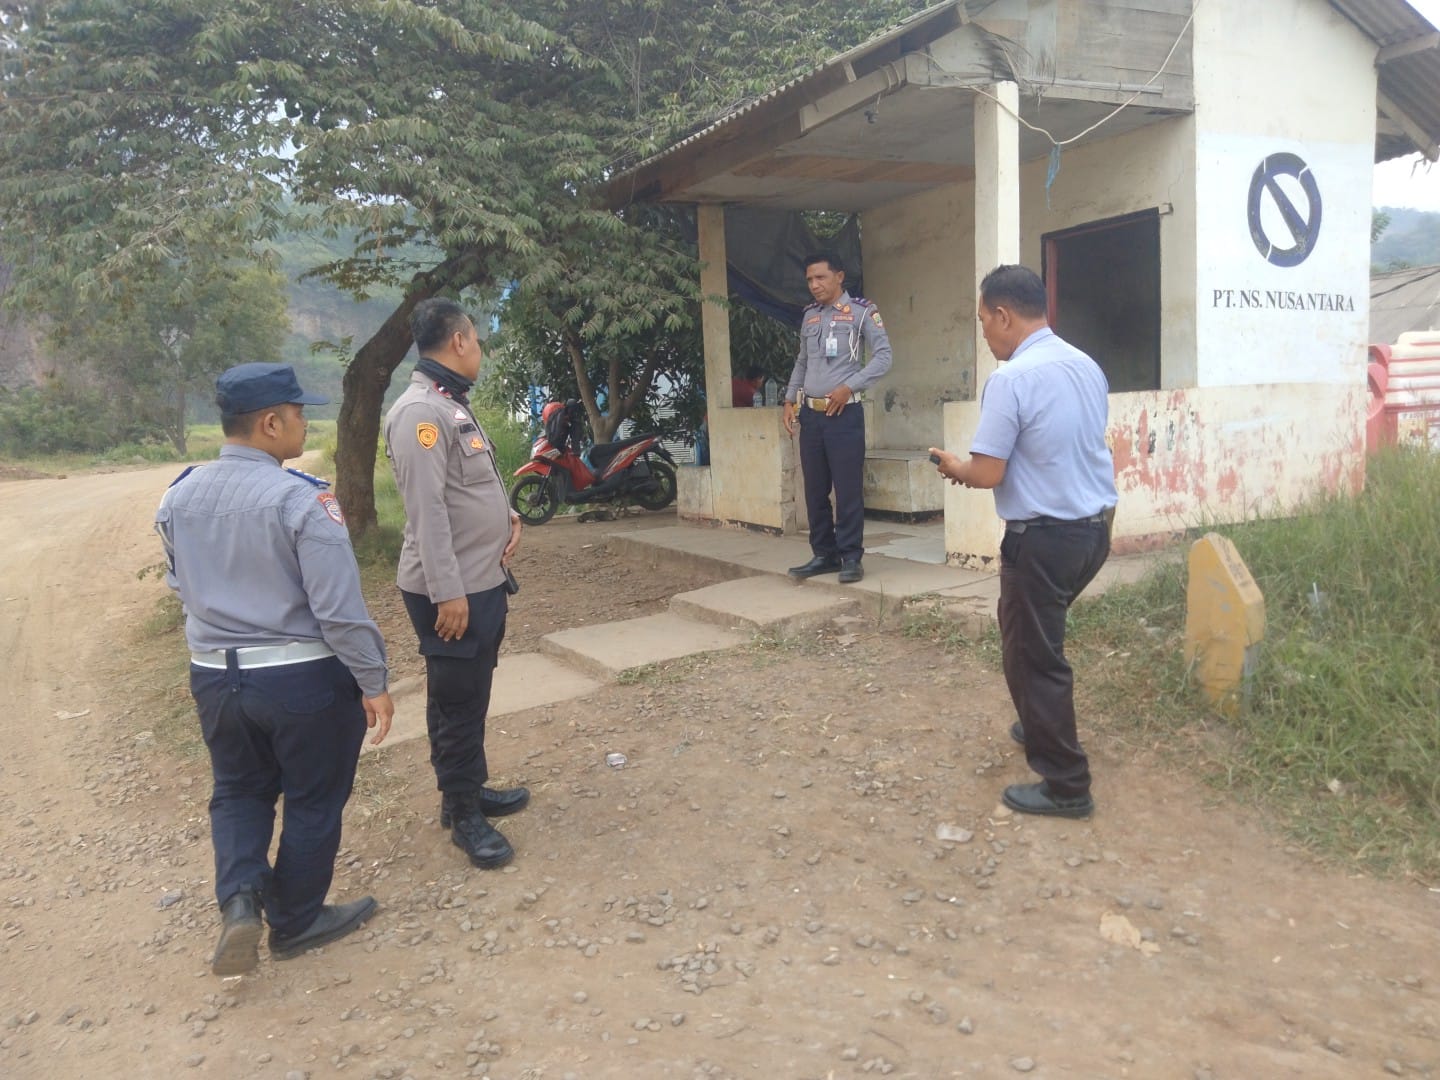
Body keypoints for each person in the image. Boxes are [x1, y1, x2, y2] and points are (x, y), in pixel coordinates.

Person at [156, 362, 394, 976]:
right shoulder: (302, 500)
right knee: (314, 797)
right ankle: (295, 921)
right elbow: (338, 612)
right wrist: (373, 680)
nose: (303, 423)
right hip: (300, 679)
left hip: (215, 677)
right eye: (297, 413)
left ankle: (240, 901)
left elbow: (181, 585)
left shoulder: (178, 496)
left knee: (239, 789)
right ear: (269, 423)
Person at [929, 265, 1116, 819]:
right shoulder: (1085, 365)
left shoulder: (1011, 379)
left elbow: (988, 471)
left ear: (1004, 315)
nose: (985, 332)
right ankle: (1039, 721)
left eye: (984, 321)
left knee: (1035, 658)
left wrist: (954, 466)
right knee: (1030, 639)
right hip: (1094, 532)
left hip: (1043, 541)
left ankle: (1067, 785)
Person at [384, 298, 528, 871]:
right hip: (453, 590)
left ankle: (464, 790)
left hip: (478, 578)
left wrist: (506, 516)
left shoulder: (448, 403)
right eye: (477, 340)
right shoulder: (420, 413)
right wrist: (448, 593)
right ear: (461, 341)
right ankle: (464, 814)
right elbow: (427, 511)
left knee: (467, 693)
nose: (479, 351)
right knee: (458, 698)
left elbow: (467, 486)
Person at [783, 252, 892, 584]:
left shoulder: (862, 312)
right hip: (811, 416)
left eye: (821, 277)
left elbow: (883, 357)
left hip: (845, 415)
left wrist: (849, 387)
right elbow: (802, 361)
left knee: (847, 491)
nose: (814, 285)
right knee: (815, 490)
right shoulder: (810, 316)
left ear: (839, 276)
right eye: (810, 280)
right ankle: (824, 555)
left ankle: (850, 557)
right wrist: (789, 399)